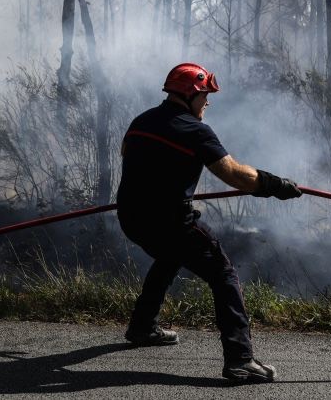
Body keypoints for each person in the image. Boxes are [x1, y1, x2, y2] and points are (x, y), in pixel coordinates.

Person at [116, 62, 302, 384]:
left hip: (131, 218)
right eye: (205, 95)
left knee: (170, 254)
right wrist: (276, 186)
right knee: (224, 273)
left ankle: (143, 326)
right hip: (170, 222)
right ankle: (240, 361)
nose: (208, 102)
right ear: (191, 94)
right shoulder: (194, 130)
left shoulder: (140, 122)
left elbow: (128, 154)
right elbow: (236, 175)